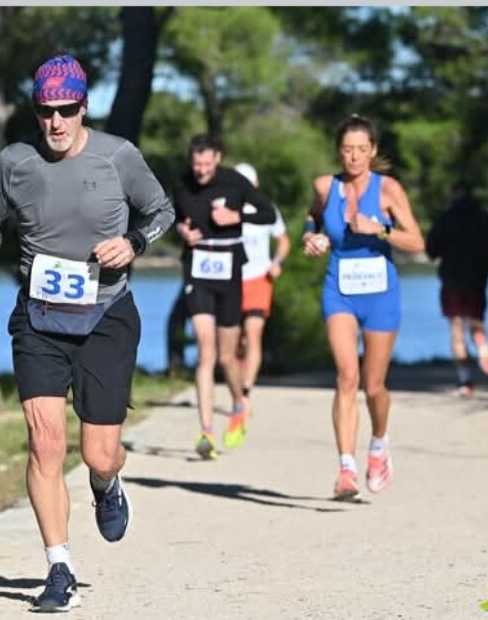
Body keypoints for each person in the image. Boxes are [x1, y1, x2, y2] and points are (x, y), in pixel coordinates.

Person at [0, 54, 174, 613]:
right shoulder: (15, 162)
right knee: (45, 442)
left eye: (66, 110)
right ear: (35, 111)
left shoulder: (117, 157)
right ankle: (59, 568)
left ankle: (107, 484)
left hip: (106, 315)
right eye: (45, 111)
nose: (56, 122)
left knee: (99, 453)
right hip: (39, 318)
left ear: (83, 107)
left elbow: (160, 211)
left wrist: (132, 244)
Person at [302, 114, 425, 501]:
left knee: (373, 386)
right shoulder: (326, 186)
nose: (354, 157)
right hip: (339, 289)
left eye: (361, 150)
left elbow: (417, 242)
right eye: (347, 150)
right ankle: (346, 469)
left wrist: (380, 229)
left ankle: (378, 444)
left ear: (372, 151)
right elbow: (313, 217)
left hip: (380, 294)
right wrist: (312, 238)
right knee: (346, 377)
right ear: (339, 152)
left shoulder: (388, 190)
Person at [174, 135, 276, 459]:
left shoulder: (236, 182)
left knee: (226, 357)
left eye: (206, 165)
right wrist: (182, 231)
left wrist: (236, 218)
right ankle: (206, 433)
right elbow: (176, 217)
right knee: (206, 351)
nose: (201, 171)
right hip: (198, 268)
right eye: (196, 165)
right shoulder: (182, 183)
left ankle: (238, 402)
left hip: (230, 268)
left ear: (217, 158)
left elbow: (268, 214)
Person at [425, 180, 488, 397]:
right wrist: (485, 260)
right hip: (477, 278)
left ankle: (465, 380)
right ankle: (483, 347)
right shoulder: (484, 217)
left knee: (456, 327)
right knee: (476, 321)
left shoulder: (446, 219)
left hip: (451, 279)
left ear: (453, 195)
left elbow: (431, 248)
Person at [233, 162, 290, 400]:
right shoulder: (224, 211)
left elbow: (284, 240)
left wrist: (277, 261)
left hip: (259, 278)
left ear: (255, 185)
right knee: (235, 340)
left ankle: (245, 392)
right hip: (232, 281)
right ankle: (237, 388)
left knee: (253, 334)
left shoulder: (268, 210)